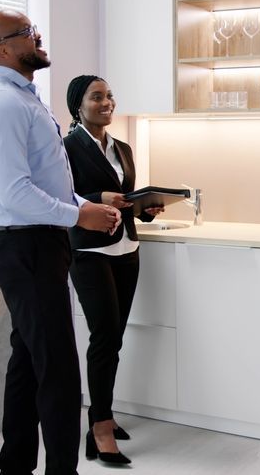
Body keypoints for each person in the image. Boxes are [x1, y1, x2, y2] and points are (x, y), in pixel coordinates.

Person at [0, 10, 121, 475]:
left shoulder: (24, 98)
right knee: (56, 368)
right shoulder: (2, 104)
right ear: (1, 49)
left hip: (37, 242)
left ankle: (14, 464)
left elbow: (45, 182)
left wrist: (83, 207)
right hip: (24, 245)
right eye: (28, 34)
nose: (38, 37)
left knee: (29, 358)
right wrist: (79, 213)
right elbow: (14, 193)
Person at [62, 74, 164, 465]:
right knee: (104, 338)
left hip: (127, 248)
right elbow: (59, 197)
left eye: (109, 96)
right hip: (88, 252)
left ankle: (103, 413)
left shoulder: (122, 147)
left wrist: (146, 208)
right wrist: (95, 198)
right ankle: (100, 426)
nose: (107, 103)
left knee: (114, 338)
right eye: (97, 97)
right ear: (78, 105)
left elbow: (126, 201)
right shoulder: (66, 148)